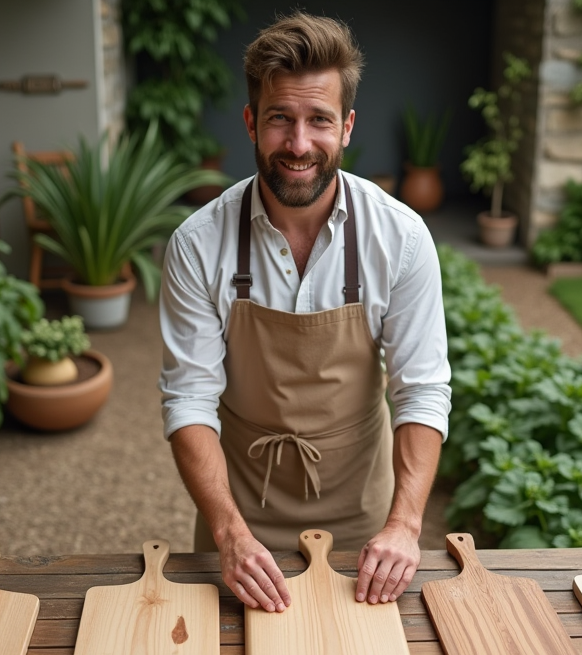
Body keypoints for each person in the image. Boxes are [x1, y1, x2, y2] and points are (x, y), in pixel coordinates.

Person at [159, 13, 451, 617]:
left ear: (346, 126)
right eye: (279, 119)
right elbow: (188, 399)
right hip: (239, 516)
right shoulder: (197, 244)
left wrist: (403, 525)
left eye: (319, 119)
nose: (298, 144)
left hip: (364, 516)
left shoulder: (400, 238)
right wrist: (229, 534)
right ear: (250, 123)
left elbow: (422, 390)